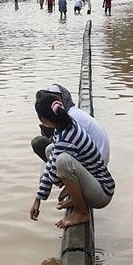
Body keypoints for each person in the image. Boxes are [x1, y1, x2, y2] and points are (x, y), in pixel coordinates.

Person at [29, 92, 114, 228]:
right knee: (51, 150)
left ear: (44, 121)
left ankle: (81, 212)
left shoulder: (66, 138)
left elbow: (55, 176)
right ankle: (78, 201)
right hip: (97, 184)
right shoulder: (66, 125)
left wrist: (52, 182)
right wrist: (38, 198)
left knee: (62, 161)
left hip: (102, 193)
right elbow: (51, 162)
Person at [31, 84, 110, 166]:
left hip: (94, 166)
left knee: (39, 143)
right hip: (95, 161)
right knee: (50, 149)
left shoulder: (71, 118)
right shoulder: (72, 114)